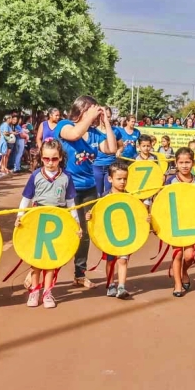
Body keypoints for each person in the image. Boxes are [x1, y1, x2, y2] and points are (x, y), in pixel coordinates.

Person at [57, 96, 118, 288]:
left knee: (85, 232)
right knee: (61, 231)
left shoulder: (94, 134)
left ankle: (79, 273)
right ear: (82, 109)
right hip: (67, 188)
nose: (95, 113)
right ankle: (39, 268)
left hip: (89, 188)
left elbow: (111, 148)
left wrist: (106, 121)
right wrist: (89, 116)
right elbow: (74, 135)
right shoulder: (64, 125)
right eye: (92, 109)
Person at [17, 139, 80, 307]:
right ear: (41, 158)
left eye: (54, 159)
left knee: (51, 259)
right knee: (36, 259)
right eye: (46, 159)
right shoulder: (36, 175)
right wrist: (20, 216)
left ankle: (47, 293)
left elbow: (71, 203)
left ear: (60, 158)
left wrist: (76, 224)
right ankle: (34, 292)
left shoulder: (66, 177)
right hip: (37, 220)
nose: (50, 163)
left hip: (57, 221)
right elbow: (26, 199)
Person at [88, 163, 141, 299]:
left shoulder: (130, 197)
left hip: (125, 234)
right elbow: (97, 214)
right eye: (119, 179)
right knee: (110, 261)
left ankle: (121, 286)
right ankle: (111, 284)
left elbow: (136, 214)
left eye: (125, 179)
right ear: (110, 179)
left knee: (123, 260)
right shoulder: (104, 197)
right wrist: (90, 215)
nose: (123, 182)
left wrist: (145, 218)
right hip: (109, 235)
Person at [167, 148, 195, 297]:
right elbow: (162, 202)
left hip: (191, 223)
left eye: (187, 162)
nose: (184, 165)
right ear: (175, 163)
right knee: (177, 255)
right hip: (175, 223)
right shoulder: (170, 181)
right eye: (181, 162)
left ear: (193, 163)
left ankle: (184, 271)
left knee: (188, 256)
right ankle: (177, 284)